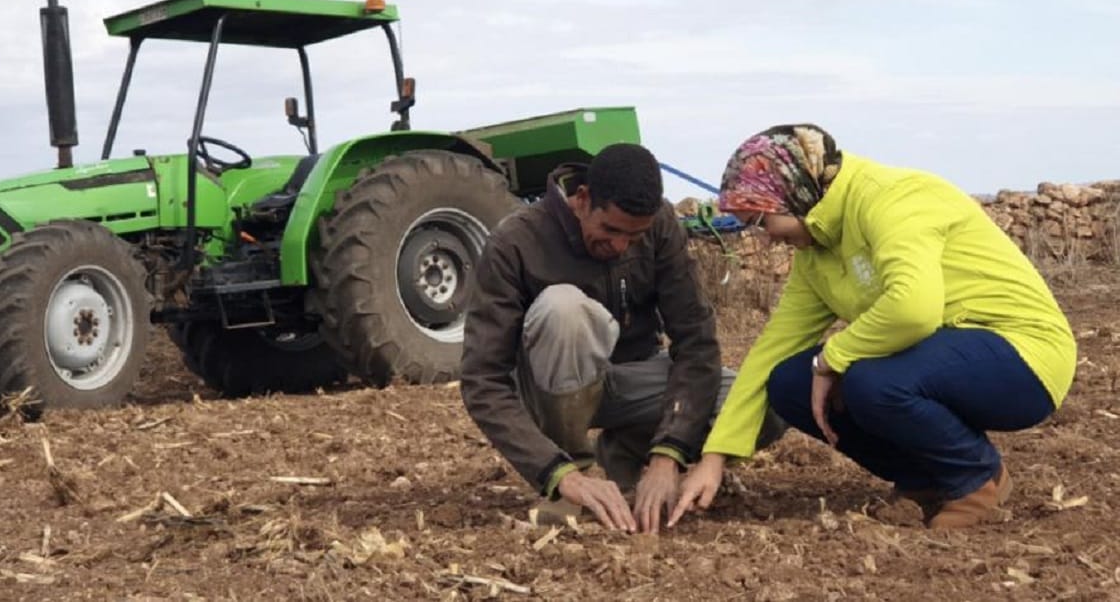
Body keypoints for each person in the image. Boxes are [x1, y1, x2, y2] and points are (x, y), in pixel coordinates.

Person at [667, 124, 1076, 530]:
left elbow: (914, 309)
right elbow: (772, 348)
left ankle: (975, 478)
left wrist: (834, 356)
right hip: (941, 355)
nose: (767, 238)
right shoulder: (817, 251)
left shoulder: (892, 199)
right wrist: (715, 458)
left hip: (1022, 356)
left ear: (794, 192)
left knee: (867, 379)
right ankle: (923, 479)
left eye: (759, 220)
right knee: (788, 381)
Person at [460, 143, 783, 534]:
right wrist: (556, 472)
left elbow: (695, 341)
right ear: (582, 199)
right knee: (564, 309)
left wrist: (669, 454)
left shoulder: (661, 224)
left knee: (766, 402)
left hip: (634, 381)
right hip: (547, 390)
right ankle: (572, 481)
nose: (619, 246)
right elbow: (483, 381)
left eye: (635, 236)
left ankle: (630, 454)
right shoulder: (516, 242)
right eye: (610, 230)